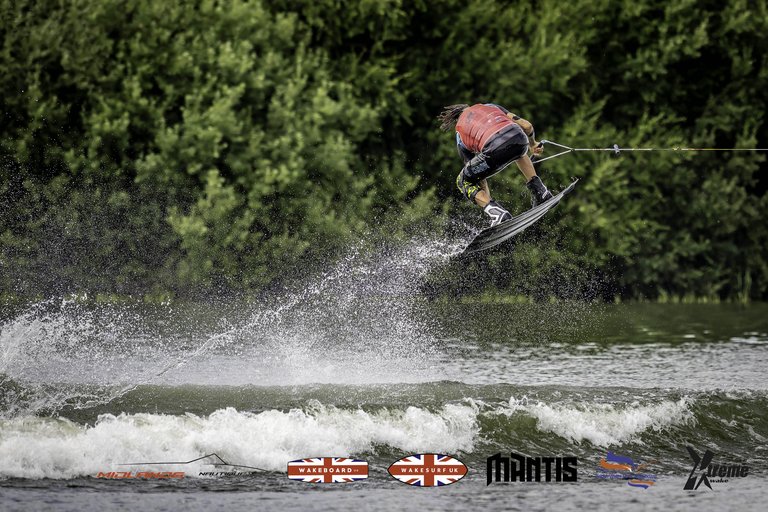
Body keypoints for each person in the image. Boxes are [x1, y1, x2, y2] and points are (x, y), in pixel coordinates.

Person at [438, 103, 553, 226]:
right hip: (519, 138)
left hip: (495, 148)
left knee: (463, 181)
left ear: (457, 119)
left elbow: (477, 177)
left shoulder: (460, 133)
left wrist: (487, 200)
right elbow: (527, 126)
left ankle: (497, 213)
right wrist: (532, 144)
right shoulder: (490, 106)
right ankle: (541, 192)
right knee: (518, 150)